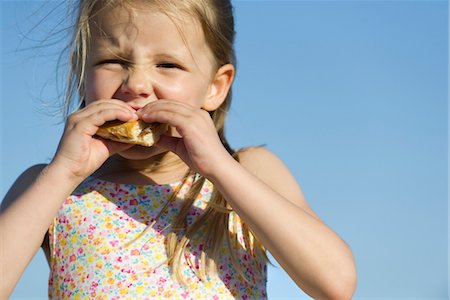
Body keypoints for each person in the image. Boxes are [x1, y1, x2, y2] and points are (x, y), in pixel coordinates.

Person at [0, 0, 357, 299]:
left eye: (168, 65)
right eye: (112, 61)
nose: (136, 85)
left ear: (215, 88)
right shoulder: (53, 186)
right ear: (82, 72)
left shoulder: (247, 170)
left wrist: (218, 167)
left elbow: (335, 283)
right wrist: (62, 174)